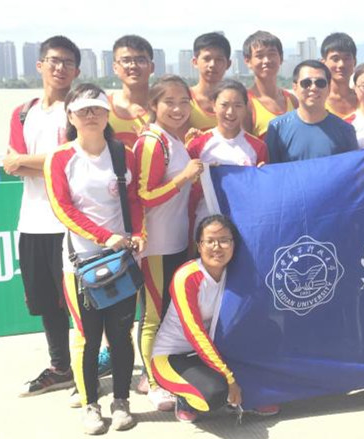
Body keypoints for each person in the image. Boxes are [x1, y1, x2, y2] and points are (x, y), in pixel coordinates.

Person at [45, 84, 145, 434]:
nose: (90, 115)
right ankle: (90, 404)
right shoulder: (60, 158)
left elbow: (134, 199)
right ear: (71, 116)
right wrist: (104, 236)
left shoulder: (123, 153)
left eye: (97, 109)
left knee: (121, 334)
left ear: (107, 114)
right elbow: (63, 208)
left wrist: (138, 233)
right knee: (87, 337)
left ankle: (121, 401)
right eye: (83, 110)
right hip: (81, 264)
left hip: (121, 261)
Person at [4, 35, 79, 398]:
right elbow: (11, 163)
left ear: (76, 70)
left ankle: (90, 366)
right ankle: (60, 368)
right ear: (40, 65)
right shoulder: (24, 112)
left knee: (80, 301)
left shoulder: (79, 110)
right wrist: (39, 162)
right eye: (53, 60)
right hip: (32, 221)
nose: (59, 68)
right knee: (48, 302)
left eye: (67, 62)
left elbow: (73, 159)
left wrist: (27, 162)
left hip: (70, 222)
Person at [132, 75, 204, 408]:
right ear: (154, 105)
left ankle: (161, 373)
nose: (178, 109)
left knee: (166, 314)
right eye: (169, 102)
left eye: (183, 102)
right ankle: (150, 381)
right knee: (152, 316)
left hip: (175, 242)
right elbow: (144, 195)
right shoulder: (151, 141)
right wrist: (183, 177)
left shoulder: (173, 140)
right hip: (156, 246)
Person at [151, 215, 242, 423]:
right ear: (199, 246)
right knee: (214, 394)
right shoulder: (187, 276)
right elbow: (195, 333)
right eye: (210, 241)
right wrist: (229, 378)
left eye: (224, 240)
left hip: (211, 351)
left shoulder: (236, 273)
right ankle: (185, 399)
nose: (217, 247)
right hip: (173, 356)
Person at [187, 80, 269, 232]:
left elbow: (262, 192)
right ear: (213, 105)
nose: (230, 112)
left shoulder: (258, 147)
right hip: (205, 227)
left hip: (244, 225)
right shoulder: (197, 145)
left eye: (238, 105)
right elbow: (188, 190)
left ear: (246, 107)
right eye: (224, 105)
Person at [266, 60, 359, 162]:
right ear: (295, 87)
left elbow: (353, 168)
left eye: (320, 83)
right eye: (306, 83)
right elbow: (271, 169)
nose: (313, 88)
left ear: (328, 88)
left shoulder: (345, 131)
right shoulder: (277, 128)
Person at [243, 30, 298, 138]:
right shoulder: (245, 103)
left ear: (281, 58)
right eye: (259, 56)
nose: (266, 60)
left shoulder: (292, 100)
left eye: (271, 54)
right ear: (248, 61)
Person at [109, 35, 153, 148]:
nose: (133, 66)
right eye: (126, 61)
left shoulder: (166, 108)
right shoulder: (102, 107)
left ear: (152, 67)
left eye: (141, 60)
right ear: (115, 67)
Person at [189, 32, 233, 131]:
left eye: (219, 59)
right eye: (207, 59)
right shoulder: (185, 100)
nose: (212, 64)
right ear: (195, 62)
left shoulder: (238, 102)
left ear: (228, 64)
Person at [320, 32, 358, 119]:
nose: (341, 64)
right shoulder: (318, 101)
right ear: (323, 63)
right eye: (335, 59)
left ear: (354, 61)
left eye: (346, 58)